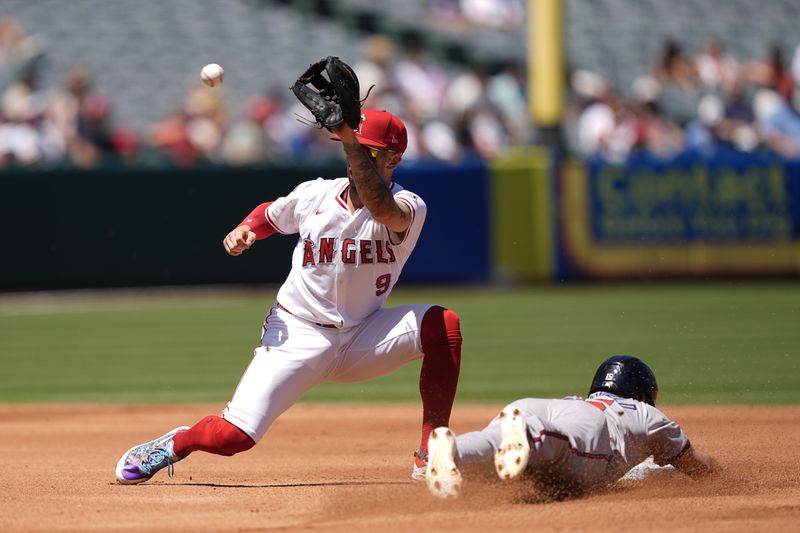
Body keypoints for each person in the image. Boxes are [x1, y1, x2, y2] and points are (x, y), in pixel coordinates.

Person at [115, 109, 462, 484]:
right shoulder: (315, 193)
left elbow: (383, 210)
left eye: (367, 151)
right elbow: (270, 215)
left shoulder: (409, 205)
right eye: (352, 148)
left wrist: (349, 137)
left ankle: (431, 452)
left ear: (393, 158)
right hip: (298, 334)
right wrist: (246, 228)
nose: (354, 156)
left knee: (443, 326)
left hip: (363, 334)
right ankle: (176, 443)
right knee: (234, 437)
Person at [425, 355, 717, 499]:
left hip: (539, 406)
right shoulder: (645, 414)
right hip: (585, 428)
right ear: (642, 395)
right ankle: (528, 435)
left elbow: (645, 470)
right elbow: (697, 465)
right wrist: (725, 477)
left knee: (499, 444)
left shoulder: (583, 401)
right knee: (554, 442)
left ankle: (455, 452)